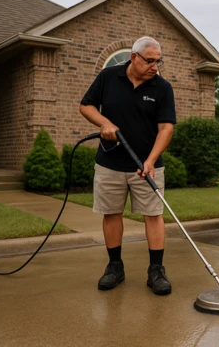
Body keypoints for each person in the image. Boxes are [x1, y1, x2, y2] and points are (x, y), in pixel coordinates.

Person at [79, 36, 176, 295]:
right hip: (110, 161)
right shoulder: (108, 77)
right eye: (150, 61)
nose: (155, 66)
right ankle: (115, 267)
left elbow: (166, 128)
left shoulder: (162, 87)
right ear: (134, 57)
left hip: (147, 164)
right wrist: (103, 123)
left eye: (158, 61)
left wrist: (151, 160)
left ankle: (156, 270)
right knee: (111, 213)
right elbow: (86, 105)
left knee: (153, 215)